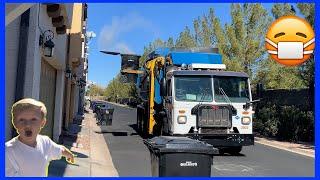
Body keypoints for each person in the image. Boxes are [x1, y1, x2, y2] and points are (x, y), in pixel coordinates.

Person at [5, 98, 75, 177]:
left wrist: (69, 154)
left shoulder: (45, 142)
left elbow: (59, 149)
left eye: (33, 119)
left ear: (42, 123)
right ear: (14, 123)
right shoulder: (8, 150)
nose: (27, 125)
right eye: (21, 120)